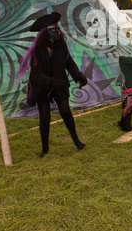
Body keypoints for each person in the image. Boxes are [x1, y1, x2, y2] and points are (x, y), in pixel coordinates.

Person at [18, 12, 87, 157]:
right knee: (45, 117)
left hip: (60, 84)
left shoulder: (61, 46)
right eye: (53, 29)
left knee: (65, 111)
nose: (56, 32)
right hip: (43, 87)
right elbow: (36, 74)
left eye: (57, 29)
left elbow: (69, 63)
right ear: (45, 33)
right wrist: (51, 81)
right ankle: (45, 149)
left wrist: (78, 76)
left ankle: (76, 141)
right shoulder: (38, 49)